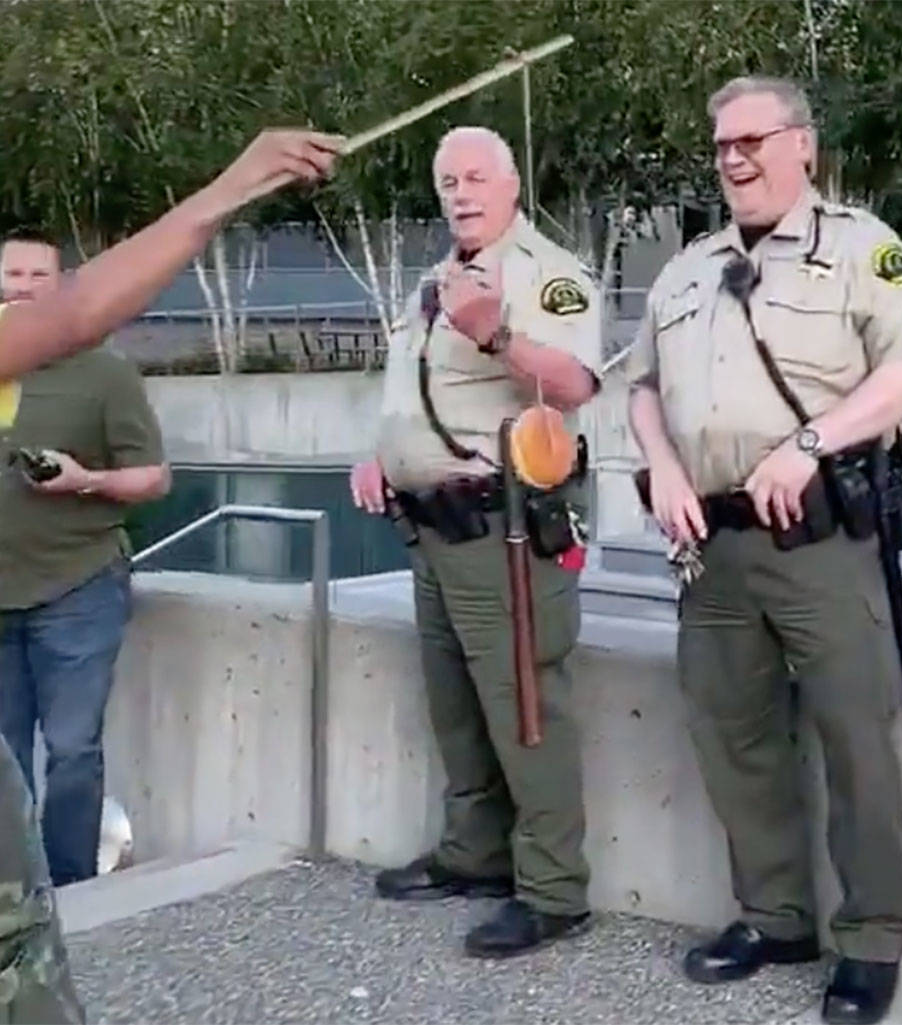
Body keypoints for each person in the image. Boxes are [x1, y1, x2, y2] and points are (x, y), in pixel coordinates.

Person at [0, 103, 341, 1023]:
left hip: (62, 598)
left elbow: (139, 460)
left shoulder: (76, 378)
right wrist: (231, 186)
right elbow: (80, 311)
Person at [625, 77, 902, 1025]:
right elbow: (641, 386)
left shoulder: (861, 250)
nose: (734, 159)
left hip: (822, 544)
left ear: (803, 145)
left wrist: (811, 445)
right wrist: (663, 470)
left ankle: (873, 940)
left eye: (752, 140)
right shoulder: (686, 270)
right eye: (722, 145)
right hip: (711, 543)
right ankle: (775, 916)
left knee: (855, 743)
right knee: (735, 739)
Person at [350, 126, 602, 959]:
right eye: (447, 180)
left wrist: (496, 333)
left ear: (511, 183)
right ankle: (476, 853)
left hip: (505, 526)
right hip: (431, 526)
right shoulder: (433, 281)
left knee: (526, 708)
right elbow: (418, 390)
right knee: (456, 707)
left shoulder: (549, 276)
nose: (459, 193)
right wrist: (383, 454)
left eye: (474, 178)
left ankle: (554, 889)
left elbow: (573, 387)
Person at [0, 234, 170, 887]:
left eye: (40, 273)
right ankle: (9, 891)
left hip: (78, 588)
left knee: (70, 750)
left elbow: (153, 478)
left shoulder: (106, 373)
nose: (25, 284)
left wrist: (84, 479)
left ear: (62, 284)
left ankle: (72, 891)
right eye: (14, 272)